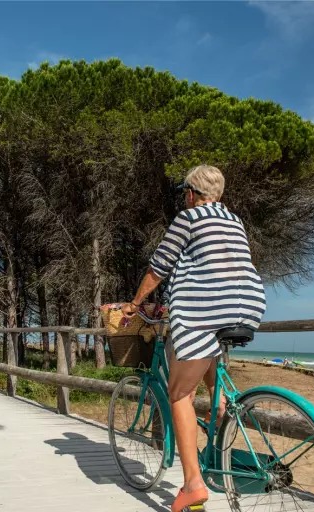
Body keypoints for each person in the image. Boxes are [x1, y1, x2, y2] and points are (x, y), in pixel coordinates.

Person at [122, 165, 266, 512]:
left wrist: (135, 303)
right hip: (247, 304)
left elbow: (159, 266)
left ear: (190, 194)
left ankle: (192, 484)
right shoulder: (234, 221)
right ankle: (220, 411)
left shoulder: (188, 218)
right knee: (206, 365)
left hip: (204, 307)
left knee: (179, 394)